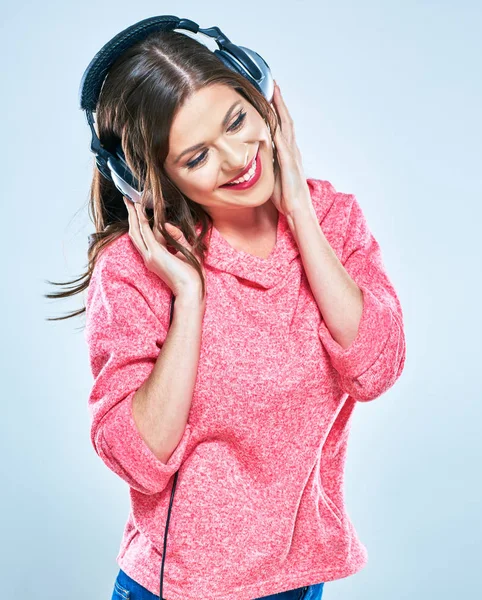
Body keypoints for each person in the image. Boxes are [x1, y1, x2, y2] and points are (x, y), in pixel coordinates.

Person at [75, 29, 406, 600]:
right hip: (181, 589)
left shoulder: (332, 218)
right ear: (150, 178)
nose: (236, 159)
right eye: (197, 156)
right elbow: (141, 459)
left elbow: (375, 369)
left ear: (261, 96)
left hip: (300, 579)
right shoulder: (135, 267)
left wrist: (300, 210)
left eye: (235, 121)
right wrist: (189, 298)